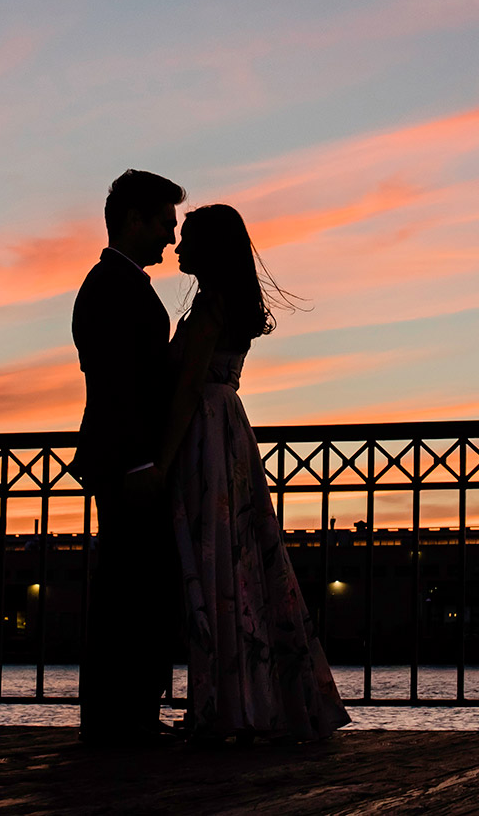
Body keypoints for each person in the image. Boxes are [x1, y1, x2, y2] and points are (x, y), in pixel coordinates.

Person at [157, 203, 349, 743]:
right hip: (228, 432)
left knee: (213, 562)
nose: (178, 248)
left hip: (203, 434)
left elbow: (188, 386)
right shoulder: (225, 303)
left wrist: (164, 461)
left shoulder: (211, 307)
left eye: (187, 239)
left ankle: (224, 704)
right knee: (238, 564)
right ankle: (247, 698)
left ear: (209, 249)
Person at [72, 169, 186, 746]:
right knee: (131, 587)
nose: (170, 237)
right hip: (127, 460)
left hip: (122, 456)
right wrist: (143, 461)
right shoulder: (112, 288)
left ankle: (126, 712)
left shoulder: (117, 284)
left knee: (133, 584)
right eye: (164, 224)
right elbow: (121, 386)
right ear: (135, 220)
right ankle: (122, 715)